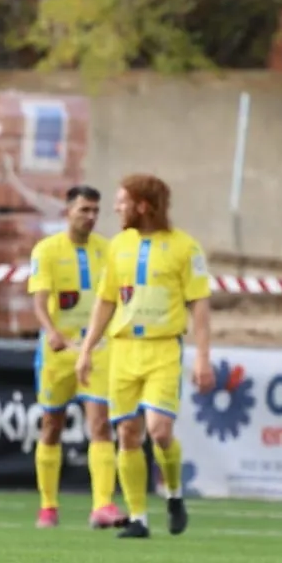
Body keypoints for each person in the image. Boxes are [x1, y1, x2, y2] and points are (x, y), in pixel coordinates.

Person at [76, 174, 214, 540]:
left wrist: (203, 357)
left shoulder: (185, 248)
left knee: (159, 430)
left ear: (143, 206)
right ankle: (139, 517)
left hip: (163, 347)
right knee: (127, 432)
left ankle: (174, 494)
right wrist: (87, 349)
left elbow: (200, 306)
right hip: (123, 350)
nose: (115, 208)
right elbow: (105, 301)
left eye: (122, 202)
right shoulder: (118, 246)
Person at [28, 184, 124, 530]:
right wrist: (51, 331)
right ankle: (48, 506)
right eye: (84, 209)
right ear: (68, 211)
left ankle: (102, 505)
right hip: (58, 353)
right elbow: (39, 300)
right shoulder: (46, 250)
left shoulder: (108, 250)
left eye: (96, 211)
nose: (91, 217)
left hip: (97, 350)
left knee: (100, 423)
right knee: (51, 426)